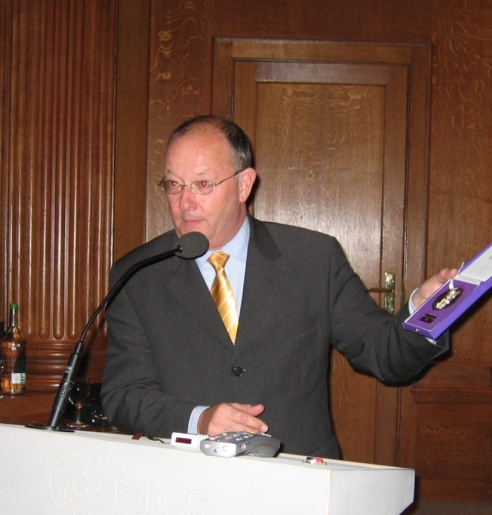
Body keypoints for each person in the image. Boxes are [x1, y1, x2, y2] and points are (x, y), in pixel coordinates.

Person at [101, 115, 457, 458]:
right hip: (189, 478)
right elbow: (124, 395)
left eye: (203, 184)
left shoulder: (313, 258)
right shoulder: (137, 274)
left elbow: (384, 354)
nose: (185, 202)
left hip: (296, 473)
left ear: (244, 185)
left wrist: (426, 312)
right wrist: (199, 419)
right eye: (174, 184)